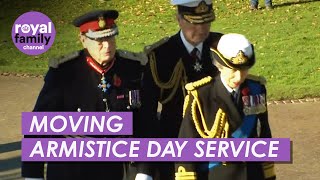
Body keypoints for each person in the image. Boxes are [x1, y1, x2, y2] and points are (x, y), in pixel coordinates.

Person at [21, 10, 145, 180]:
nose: (107, 46)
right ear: (83, 40)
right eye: (99, 40)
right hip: (73, 168)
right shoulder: (64, 73)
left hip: (119, 167)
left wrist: (144, 170)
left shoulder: (132, 68)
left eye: (110, 37)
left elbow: (145, 122)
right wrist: (33, 175)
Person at [135, 0, 223, 179]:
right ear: (179, 19)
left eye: (206, 22)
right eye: (194, 23)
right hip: (175, 146)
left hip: (217, 147)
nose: (202, 29)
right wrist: (146, 168)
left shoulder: (221, 47)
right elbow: (148, 114)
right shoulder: (160, 55)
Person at [174, 33, 276, 180]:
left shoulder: (257, 89)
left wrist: (269, 174)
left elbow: (264, 134)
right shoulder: (201, 96)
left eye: (244, 70)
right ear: (219, 66)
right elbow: (185, 148)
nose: (239, 77)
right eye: (233, 70)